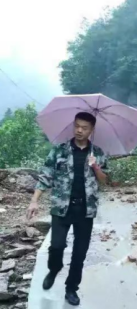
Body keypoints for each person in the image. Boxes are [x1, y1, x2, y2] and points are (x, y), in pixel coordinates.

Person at [26, 112, 109, 306]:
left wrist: (95, 166)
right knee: (56, 246)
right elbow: (46, 176)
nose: (79, 130)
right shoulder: (59, 151)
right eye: (77, 126)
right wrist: (34, 201)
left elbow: (105, 181)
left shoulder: (98, 153)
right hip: (61, 208)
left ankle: (71, 289)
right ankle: (54, 268)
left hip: (85, 210)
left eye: (84, 127)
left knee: (80, 253)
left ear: (91, 130)